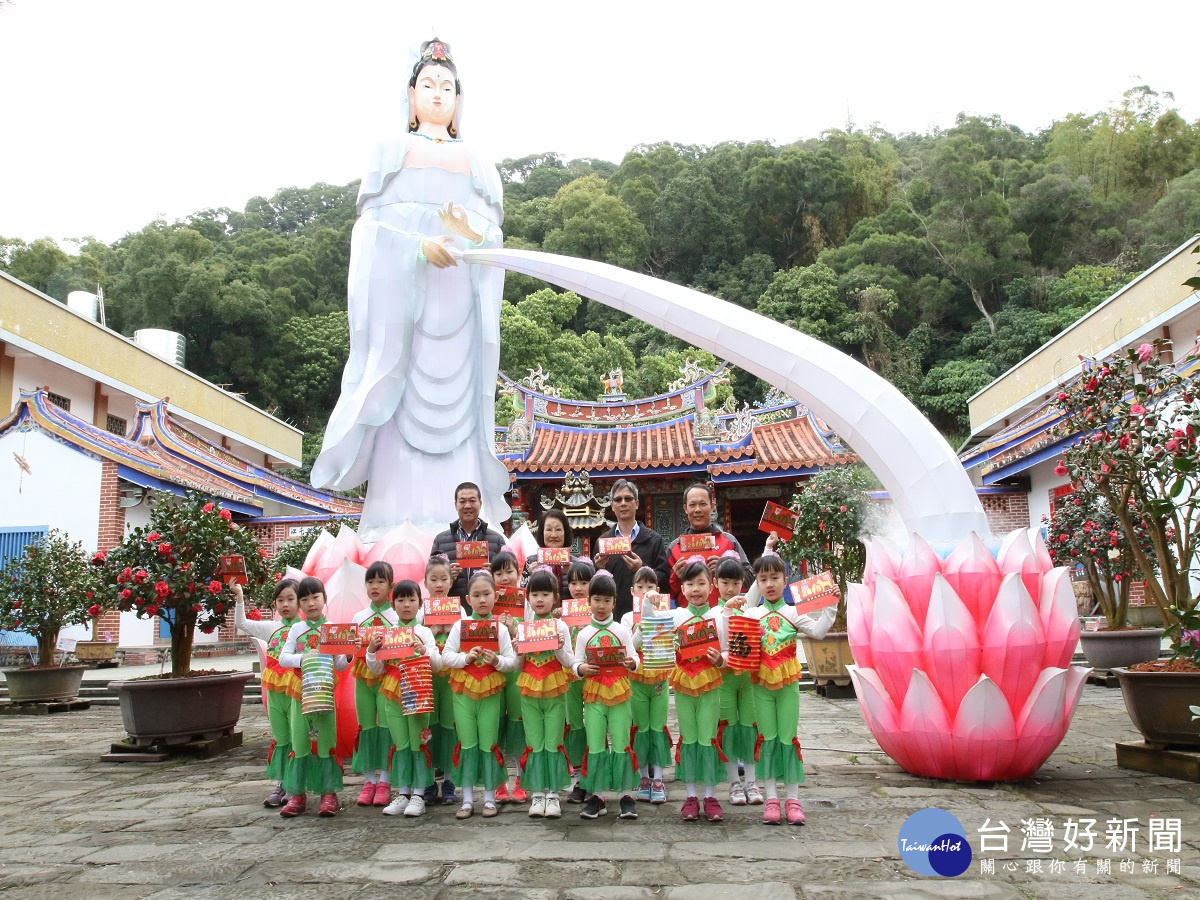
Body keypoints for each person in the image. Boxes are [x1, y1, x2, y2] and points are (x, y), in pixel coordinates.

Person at [310, 38, 511, 540]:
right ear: (411, 94)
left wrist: (472, 233)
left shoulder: (479, 162)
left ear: (459, 100)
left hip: (462, 309)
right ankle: (389, 523)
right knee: (397, 406)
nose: (438, 95)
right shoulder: (389, 152)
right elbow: (370, 234)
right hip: (405, 312)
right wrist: (417, 248)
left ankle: (471, 530)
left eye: (447, 87)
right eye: (428, 85)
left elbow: (494, 242)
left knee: (464, 417)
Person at [744, 551, 835, 826]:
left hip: (787, 686)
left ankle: (792, 799)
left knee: (787, 738)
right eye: (763, 579)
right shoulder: (751, 614)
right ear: (757, 584)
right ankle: (771, 798)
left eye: (774, 577)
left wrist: (831, 604)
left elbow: (818, 632)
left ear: (786, 580)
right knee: (768, 738)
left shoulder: (794, 612)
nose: (769, 584)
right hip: (760, 685)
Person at [440, 570, 519, 819]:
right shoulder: (459, 626)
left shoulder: (500, 629)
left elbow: (513, 661)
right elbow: (446, 656)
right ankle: (466, 800)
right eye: (477, 595)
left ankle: (489, 798)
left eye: (487, 594)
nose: (482, 600)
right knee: (467, 743)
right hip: (463, 691)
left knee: (488, 743)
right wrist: (466, 658)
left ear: (495, 597)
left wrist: (496, 661)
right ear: (467, 599)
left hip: (490, 690)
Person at [364, 579, 441, 817]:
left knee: (418, 742)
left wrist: (424, 650)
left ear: (420, 604)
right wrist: (371, 651)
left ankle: (419, 794)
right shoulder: (386, 633)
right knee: (400, 743)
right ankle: (403, 792)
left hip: (418, 692)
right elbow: (376, 670)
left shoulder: (425, 632)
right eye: (401, 599)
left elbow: (438, 665)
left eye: (412, 599)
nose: (406, 605)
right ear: (393, 603)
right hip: (392, 692)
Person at [278, 576, 351, 818]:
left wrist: (348, 655)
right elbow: (283, 658)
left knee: (326, 741)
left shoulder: (332, 630)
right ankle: (297, 794)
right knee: (299, 741)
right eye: (305, 599)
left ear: (324, 599)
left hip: (324, 694)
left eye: (315, 597)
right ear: (299, 604)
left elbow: (339, 664)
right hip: (300, 693)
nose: (311, 603)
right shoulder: (296, 630)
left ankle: (328, 793)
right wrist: (304, 658)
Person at [571, 572, 640, 821]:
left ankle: (625, 795)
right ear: (589, 601)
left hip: (620, 694)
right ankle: (597, 796)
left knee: (621, 742)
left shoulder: (621, 631)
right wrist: (581, 670)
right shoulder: (583, 634)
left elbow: (635, 658)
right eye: (597, 600)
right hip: (594, 696)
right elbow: (575, 664)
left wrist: (631, 663)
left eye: (607, 600)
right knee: (596, 744)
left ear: (614, 602)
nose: (601, 606)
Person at [666, 559, 729, 823]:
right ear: (681, 587)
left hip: (710, 682)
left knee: (708, 736)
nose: (695, 589)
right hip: (683, 683)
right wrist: (647, 601)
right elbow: (651, 627)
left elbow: (726, 652)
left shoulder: (718, 616)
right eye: (690, 584)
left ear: (711, 585)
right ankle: (691, 795)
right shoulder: (676, 616)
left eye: (701, 583)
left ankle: (711, 795)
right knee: (689, 736)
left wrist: (720, 660)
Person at [232, 579, 301, 808]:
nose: (285, 604)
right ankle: (280, 783)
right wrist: (239, 596)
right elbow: (242, 623)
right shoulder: (271, 628)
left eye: (290, 599)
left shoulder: (305, 628)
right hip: (274, 692)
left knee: (297, 738)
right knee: (281, 738)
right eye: (280, 600)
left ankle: (295, 787)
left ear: (300, 602)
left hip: (296, 693)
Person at [516, 567, 575, 818]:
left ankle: (553, 794)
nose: (540, 600)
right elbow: (515, 664)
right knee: (534, 742)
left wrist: (560, 648)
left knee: (553, 741)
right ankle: (537, 792)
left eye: (545, 594)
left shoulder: (560, 626)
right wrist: (517, 649)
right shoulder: (525, 627)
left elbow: (569, 660)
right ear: (528, 598)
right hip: (529, 688)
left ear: (555, 598)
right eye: (535, 594)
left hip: (553, 687)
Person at [619, 566, 672, 804]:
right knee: (641, 728)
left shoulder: (666, 612)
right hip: (637, 679)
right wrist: (641, 629)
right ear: (632, 591)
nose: (645, 591)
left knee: (657, 726)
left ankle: (658, 778)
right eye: (640, 587)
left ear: (659, 591)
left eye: (650, 587)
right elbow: (629, 645)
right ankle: (643, 777)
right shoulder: (627, 618)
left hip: (659, 677)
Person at [350, 561, 399, 808]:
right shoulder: (358, 618)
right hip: (363, 679)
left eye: (380, 581)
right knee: (367, 727)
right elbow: (348, 651)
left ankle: (386, 781)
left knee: (386, 728)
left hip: (388, 680)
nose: (375, 586)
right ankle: (369, 781)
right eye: (370, 582)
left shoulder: (397, 616)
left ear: (391, 585)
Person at [714, 553, 760, 806]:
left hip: (748, 679)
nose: (731, 589)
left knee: (749, 728)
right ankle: (734, 784)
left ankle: (752, 782)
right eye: (725, 583)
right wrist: (727, 611)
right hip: (724, 680)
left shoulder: (752, 611)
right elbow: (720, 643)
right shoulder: (713, 613)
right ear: (715, 584)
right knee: (729, 730)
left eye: (735, 583)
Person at [594, 478, 670, 622]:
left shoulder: (654, 539)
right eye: (618, 500)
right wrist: (598, 567)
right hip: (612, 619)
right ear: (612, 505)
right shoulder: (602, 542)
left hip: (647, 617)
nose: (623, 503)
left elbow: (665, 581)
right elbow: (593, 586)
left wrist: (642, 568)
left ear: (636, 503)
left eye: (628, 498)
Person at [666, 483, 752, 606]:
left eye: (703, 504)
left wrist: (725, 570)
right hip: (688, 620)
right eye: (692, 505)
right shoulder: (674, 547)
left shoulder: (729, 541)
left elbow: (749, 579)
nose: (697, 510)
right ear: (685, 508)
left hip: (724, 616)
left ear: (712, 506)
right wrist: (676, 577)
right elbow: (665, 593)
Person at [490, 550, 528, 804]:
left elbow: (537, 636)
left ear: (518, 573)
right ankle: (498, 783)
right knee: (495, 726)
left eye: (509, 572)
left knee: (517, 724)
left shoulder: (527, 603)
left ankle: (522, 780)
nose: (504, 578)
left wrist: (515, 629)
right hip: (491, 673)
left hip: (517, 672)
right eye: (499, 573)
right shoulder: (486, 600)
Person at [430, 482, 510, 599]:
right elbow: (430, 578)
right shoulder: (441, 541)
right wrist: (446, 575)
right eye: (462, 501)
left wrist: (495, 574)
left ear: (480, 503)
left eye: (472, 501)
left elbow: (507, 580)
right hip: (453, 610)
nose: (467, 505)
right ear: (455, 505)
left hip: (486, 610)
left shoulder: (497, 540)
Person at [422, 555, 459, 806]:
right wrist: (432, 632)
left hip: (451, 679)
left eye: (444, 579)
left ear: (451, 581)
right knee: (428, 728)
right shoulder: (420, 612)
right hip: (425, 679)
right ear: (425, 582)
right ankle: (426, 782)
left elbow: (466, 638)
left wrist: (452, 629)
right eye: (433, 579)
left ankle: (449, 781)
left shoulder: (460, 610)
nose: (439, 584)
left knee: (449, 728)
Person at [563, 557, 595, 802]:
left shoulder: (599, 610)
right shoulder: (562, 614)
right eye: (573, 583)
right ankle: (578, 778)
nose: (578, 588)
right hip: (571, 676)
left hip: (595, 677)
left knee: (594, 725)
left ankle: (593, 775)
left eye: (583, 582)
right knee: (575, 725)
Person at [522, 508, 574, 597]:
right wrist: (531, 577)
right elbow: (523, 596)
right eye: (548, 530)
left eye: (558, 530)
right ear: (542, 533)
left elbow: (588, 596)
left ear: (565, 533)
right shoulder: (531, 561)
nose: (553, 535)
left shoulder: (576, 564)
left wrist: (574, 575)